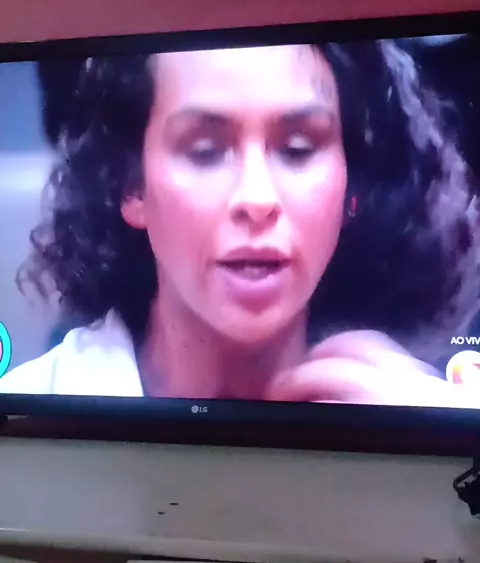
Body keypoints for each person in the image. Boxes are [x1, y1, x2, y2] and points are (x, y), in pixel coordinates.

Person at [1, 40, 480, 405]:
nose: (256, 199)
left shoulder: (433, 414)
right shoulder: (27, 414)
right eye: (205, 151)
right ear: (131, 187)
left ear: (352, 188)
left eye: (298, 149)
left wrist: (434, 443)